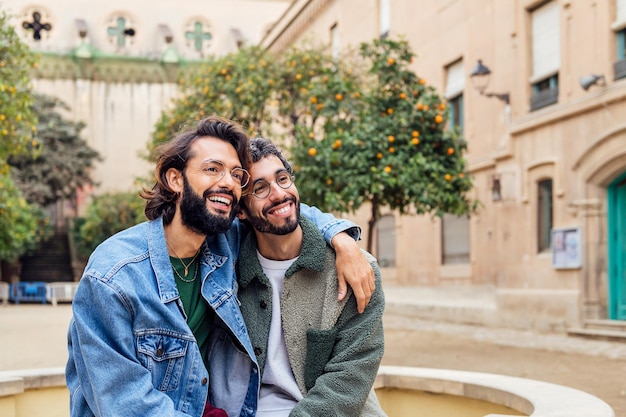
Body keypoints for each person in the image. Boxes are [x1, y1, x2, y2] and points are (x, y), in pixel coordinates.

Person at [65, 116, 375, 417]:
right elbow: (123, 402)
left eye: (236, 175)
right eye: (212, 169)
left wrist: (342, 238)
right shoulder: (113, 277)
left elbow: (282, 208)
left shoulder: (222, 243)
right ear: (175, 179)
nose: (227, 182)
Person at [236, 137, 386, 417]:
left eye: (283, 179)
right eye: (260, 188)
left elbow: (350, 375)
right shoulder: (224, 270)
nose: (279, 194)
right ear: (241, 211)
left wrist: (343, 240)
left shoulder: (357, 271)